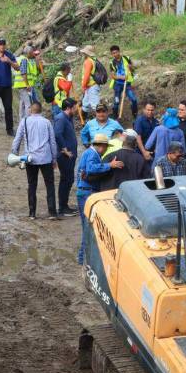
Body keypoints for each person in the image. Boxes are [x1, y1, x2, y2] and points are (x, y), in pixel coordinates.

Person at [12, 102, 60, 221]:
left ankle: (32, 213)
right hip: (46, 158)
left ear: (30, 110)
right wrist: (54, 158)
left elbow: (18, 138)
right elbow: (52, 142)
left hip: (30, 158)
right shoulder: (47, 122)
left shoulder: (25, 121)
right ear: (41, 110)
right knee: (50, 185)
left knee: (32, 185)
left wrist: (14, 155)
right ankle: (52, 212)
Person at [76, 133, 111, 264]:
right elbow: (91, 169)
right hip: (87, 193)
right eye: (106, 147)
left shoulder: (89, 153)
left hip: (83, 191)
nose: (106, 150)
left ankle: (82, 257)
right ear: (102, 146)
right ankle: (83, 259)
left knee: (86, 226)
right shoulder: (92, 154)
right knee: (87, 227)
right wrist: (109, 166)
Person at [54, 99, 80, 217]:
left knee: (69, 179)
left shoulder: (68, 118)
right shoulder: (61, 118)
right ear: (69, 107)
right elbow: (57, 134)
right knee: (66, 180)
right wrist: (65, 150)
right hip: (65, 156)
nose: (76, 109)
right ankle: (62, 208)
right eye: (75, 107)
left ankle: (64, 206)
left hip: (70, 155)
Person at [13, 45, 44, 120]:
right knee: (28, 104)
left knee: (23, 103)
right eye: (32, 53)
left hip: (26, 85)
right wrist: (27, 85)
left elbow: (36, 73)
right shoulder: (24, 60)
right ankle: (27, 121)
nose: (33, 54)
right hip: (24, 85)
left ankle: (22, 120)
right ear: (28, 53)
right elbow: (24, 73)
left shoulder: (26, 60)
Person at [109, 44, 137, 119]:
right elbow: (113, 76)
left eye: (116, 52)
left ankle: (135, 114)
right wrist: (122, 77)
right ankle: (115, 116)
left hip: (127, 84)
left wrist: (130, 67)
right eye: (113, 53)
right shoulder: (112, 63)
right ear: (111, 54)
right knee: (116, 102)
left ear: (119, 51)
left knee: (133, 99)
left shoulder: (126, 58)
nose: (115, 54)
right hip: (117, 85)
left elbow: (133, 69)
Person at [79, 46, 104, 115]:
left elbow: (86, 75)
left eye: (84, 52)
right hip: (91, 86)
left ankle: (101, 123)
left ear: (86, 53)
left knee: (96, 106)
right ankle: (84, 122)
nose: (83, 54)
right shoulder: (93, 59)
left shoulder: (88, 61)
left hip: (91, 86)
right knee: (85, 105)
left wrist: (83, 86)